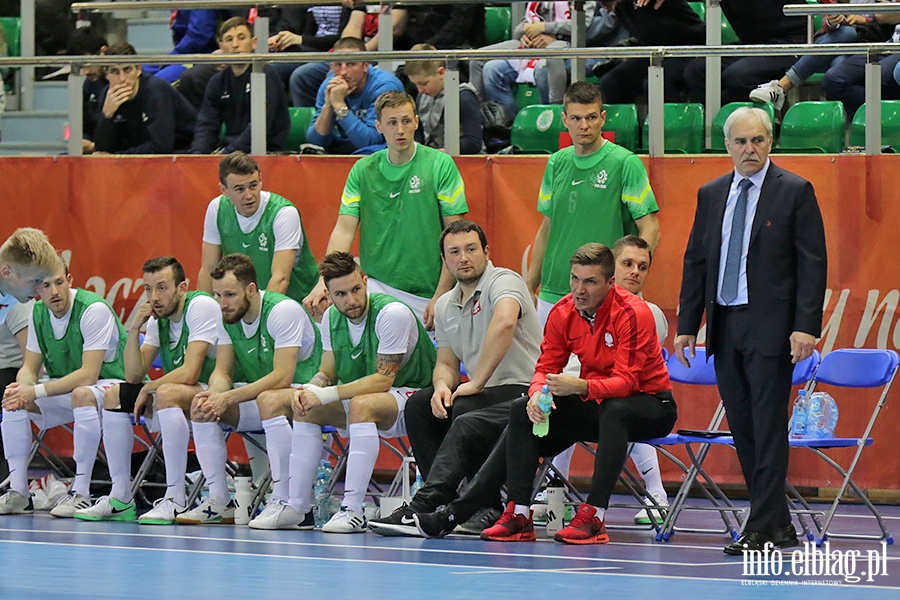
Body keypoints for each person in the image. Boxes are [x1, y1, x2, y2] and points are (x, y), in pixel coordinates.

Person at [418, 243, 677, 544]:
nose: (580, 289)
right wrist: (537, 394)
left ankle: (594, 514)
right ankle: (518, 513)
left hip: (651, 407)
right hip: (597, 403)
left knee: (616, 409)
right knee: (520, 410)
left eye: (590, 281)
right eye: (575, 279)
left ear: (610, 283)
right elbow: (544, 366)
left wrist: (579, 386)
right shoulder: (564, 311)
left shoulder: (634, 313)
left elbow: (626, 384)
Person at [674, 106, 827, 555]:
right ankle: (779, 527)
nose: (749, 149)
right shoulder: (711, 192)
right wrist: (688, 325)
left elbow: (812, 264)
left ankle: (759, 527)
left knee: (768, 426)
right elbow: (696, 261)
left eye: (757, 140)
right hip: (725, 325)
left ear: (770, 141)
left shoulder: (795, 191)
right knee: (743, 426)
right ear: (727, 146)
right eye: (740, 142)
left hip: (772, 328)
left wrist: (805, 327)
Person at [368, 220, 541, 537]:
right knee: (420, 406)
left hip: (525, 393)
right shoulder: (446, 304)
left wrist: (475, 383)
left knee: (465, 407)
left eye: (471, 249)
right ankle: (442, 501)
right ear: (445, 261)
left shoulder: (505, 281)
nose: (464, 257)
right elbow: (446, 361)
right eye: (455, 252)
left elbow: (504, 323)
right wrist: (441, 387)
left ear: (486, 252)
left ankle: (482, 506)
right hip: (484, 394)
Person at [247, 251, 435, 532]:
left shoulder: (391, 313)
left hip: (417, 397)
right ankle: (297, 508)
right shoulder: (332, 318)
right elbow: (328, 372)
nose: (352, 300)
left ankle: (352, 510)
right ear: (329, 294)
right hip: (366, 397)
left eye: (356, 289)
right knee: (297, 405)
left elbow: (384, 380)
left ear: (365, 281)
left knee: (361, 405)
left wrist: (325, 394)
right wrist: (310, 389)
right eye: (341, 294)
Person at [303, 90, 468, 329]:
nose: (400, 130)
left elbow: (456, 236)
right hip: (377, 286)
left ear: (416, 123)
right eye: (392, 122)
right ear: (379, 126)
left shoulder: (440, 164)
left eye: (406, 121)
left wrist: (441, 294)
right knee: (327, 314)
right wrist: (323, 281)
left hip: (429, 292)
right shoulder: (362, 170)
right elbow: (343, 231)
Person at [74, 257, 220, 524]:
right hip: (181, 393)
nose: (154, 297)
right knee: (114, 395)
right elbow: (133, 374)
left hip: (217, 391)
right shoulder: (157, 319)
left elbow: (190, 372)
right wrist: (133, 329)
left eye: (162, 287)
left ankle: (176, 497)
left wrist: (151, 387)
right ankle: (120, 497)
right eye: (148, 289)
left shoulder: (201, 306)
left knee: (165, 393)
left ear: (182, 288)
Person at [176, 254, 320, 525]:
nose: (222, 303)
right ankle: (219, 501)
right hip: (266, 397)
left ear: (251, 289)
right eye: (217, 295)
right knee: (202, 406)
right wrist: (215, 395)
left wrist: (228, 396)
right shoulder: (227, 315)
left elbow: (282, 376)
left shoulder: (282, 311)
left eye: (229, 294)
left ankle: (284, 500)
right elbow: (223, 371)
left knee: (269, 398)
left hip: (308, 394)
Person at [0, 258, 127, 518]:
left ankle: (80, 493)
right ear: (37, 289)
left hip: (113, 386)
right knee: (13, 399)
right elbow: (30, 366)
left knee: (82, 393)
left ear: (70, 281)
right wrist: (23, 387)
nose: (54, 291)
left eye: (59, 282)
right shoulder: (37, 312)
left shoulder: (93, 309)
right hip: (68, 390)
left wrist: (34, 391)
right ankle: (19, 492)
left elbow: (88, 375)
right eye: (46, 285)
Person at [526, 81, 660, 326]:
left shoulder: (624, 163)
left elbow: (651, 229)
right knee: (550, 365)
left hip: (603, 296)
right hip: (552, 293)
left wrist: (626, 283)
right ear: (564, 119)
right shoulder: (556, 163)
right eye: (576, 118)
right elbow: (547, 228)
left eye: (591, 117)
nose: (584, 126)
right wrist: (529, 285)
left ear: (603, 117)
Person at [198, 152, 319, 303]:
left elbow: (280, 278)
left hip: (298, 302)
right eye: (239, 189)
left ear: (261, 180)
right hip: (248, 306)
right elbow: (209, 269)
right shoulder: (217, 209)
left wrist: (261, 318)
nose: (249, 195)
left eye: (253, 185)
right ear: (224, 190)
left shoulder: (283, 213)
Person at [748, 1, 890, 112]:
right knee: (838, 58)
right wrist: (832, 21)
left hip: (872, 42)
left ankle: (781, 86)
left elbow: (889, 17)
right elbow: (826, 23)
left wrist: (864, 20)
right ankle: (840, 124)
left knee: (845, 38)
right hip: (840, 44)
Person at [0, 229, 58, 481]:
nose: (39, 290)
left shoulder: (14, 298)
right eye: (33, 281)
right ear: (7, 272)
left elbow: (33, 363)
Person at [189, 17, 290, 155]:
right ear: (222, 47)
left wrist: (227, 154)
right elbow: (207, 124)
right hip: (231, 154)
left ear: (254, 43)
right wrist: (198, 154)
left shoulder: (265, 75)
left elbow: (260, 128)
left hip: (267, 152)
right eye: (229, 40)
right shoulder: (217, 81)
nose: (235, 45)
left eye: (241, 38)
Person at [684, 0, 807, 105]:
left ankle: (758, 125)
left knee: (737, 75)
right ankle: (721, 124)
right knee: (697, 71)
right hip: (752, 43)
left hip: (791, 42)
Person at [92, 41, 198, 154]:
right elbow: (102, 149)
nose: (122, 78)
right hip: (142, 157)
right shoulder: (107, 95)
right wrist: (106, 117)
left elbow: (160, 147)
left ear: (138, 69)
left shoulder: (156, 91)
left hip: (184, 151)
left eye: (127, 69)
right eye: (115, 72)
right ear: (107, 74)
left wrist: (117, 157)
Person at [305, 37, 404, 154]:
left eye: (351, 64)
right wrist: (328, 106)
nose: (343, 72)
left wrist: (339, 105)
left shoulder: (385, 86)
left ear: (365, 65)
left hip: (384, 149)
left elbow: (371, 141)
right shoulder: (330, 85)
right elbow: (316, 142)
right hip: (348, 146)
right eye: (338, 64)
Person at [405, 43, 484, 155]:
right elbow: (420, 131)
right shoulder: (422, 96)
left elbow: (473, 143)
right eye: (415, 84)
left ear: (441, 72)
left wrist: (438, 153)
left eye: (423, 83)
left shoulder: (464, 98)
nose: (420, 90)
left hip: (464, 161)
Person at [65, 25, 108, 154]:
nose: (86, 72)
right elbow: (84, 126)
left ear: (103, 52)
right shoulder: (88, 85)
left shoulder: (123, 82)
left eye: (88, 64)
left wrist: (95, 146)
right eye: (81, 67)